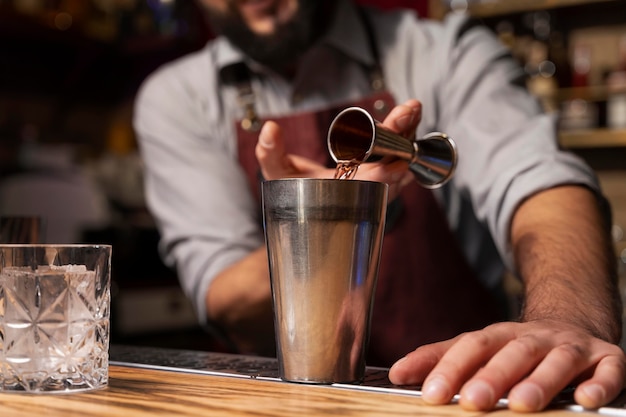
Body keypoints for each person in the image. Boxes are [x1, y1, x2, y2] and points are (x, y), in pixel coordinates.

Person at [133, 0, 625, 412]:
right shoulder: (176, 99)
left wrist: (569, 318)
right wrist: (328, 217)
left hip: (456, 396)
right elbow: (225, 299)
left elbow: (544, 185)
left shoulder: (445, 51)